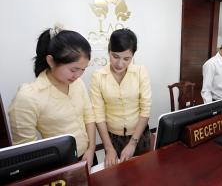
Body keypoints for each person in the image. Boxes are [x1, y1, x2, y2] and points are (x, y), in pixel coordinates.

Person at [8, 26, 97, 170]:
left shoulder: (77, 83)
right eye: (74, 69)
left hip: (88, 155)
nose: (79, 75)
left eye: (83, 69)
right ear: (51, 61)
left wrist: (91, 149)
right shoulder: (28, 97)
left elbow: (89, 115)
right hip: (60, 164)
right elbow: (25, 151)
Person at [90, 28, 152, 168]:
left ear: (133, 56)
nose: (120, 64)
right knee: (118, 175)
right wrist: (108, 147)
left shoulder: (140, 72)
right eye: (115, 56)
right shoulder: (98, 76)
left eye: (126, 59)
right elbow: (98, 115)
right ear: (109, 51)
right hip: (113, 138)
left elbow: (145, 109)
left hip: (139, 134)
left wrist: (133, 142)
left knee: (143, 173)